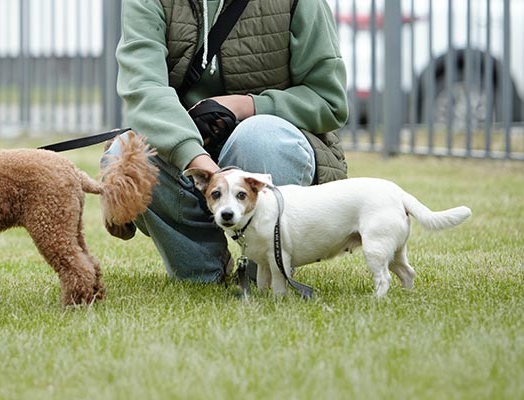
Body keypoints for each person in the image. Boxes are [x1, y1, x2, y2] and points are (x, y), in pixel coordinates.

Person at [103, 0, 349, 283]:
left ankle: (265, 272)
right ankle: (203, 271)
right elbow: (145, 90)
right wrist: (199, 162)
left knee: (259, 137)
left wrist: (245, 106)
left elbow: (328, 101)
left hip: (272, 142)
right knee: (125, 154)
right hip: (189, 147)